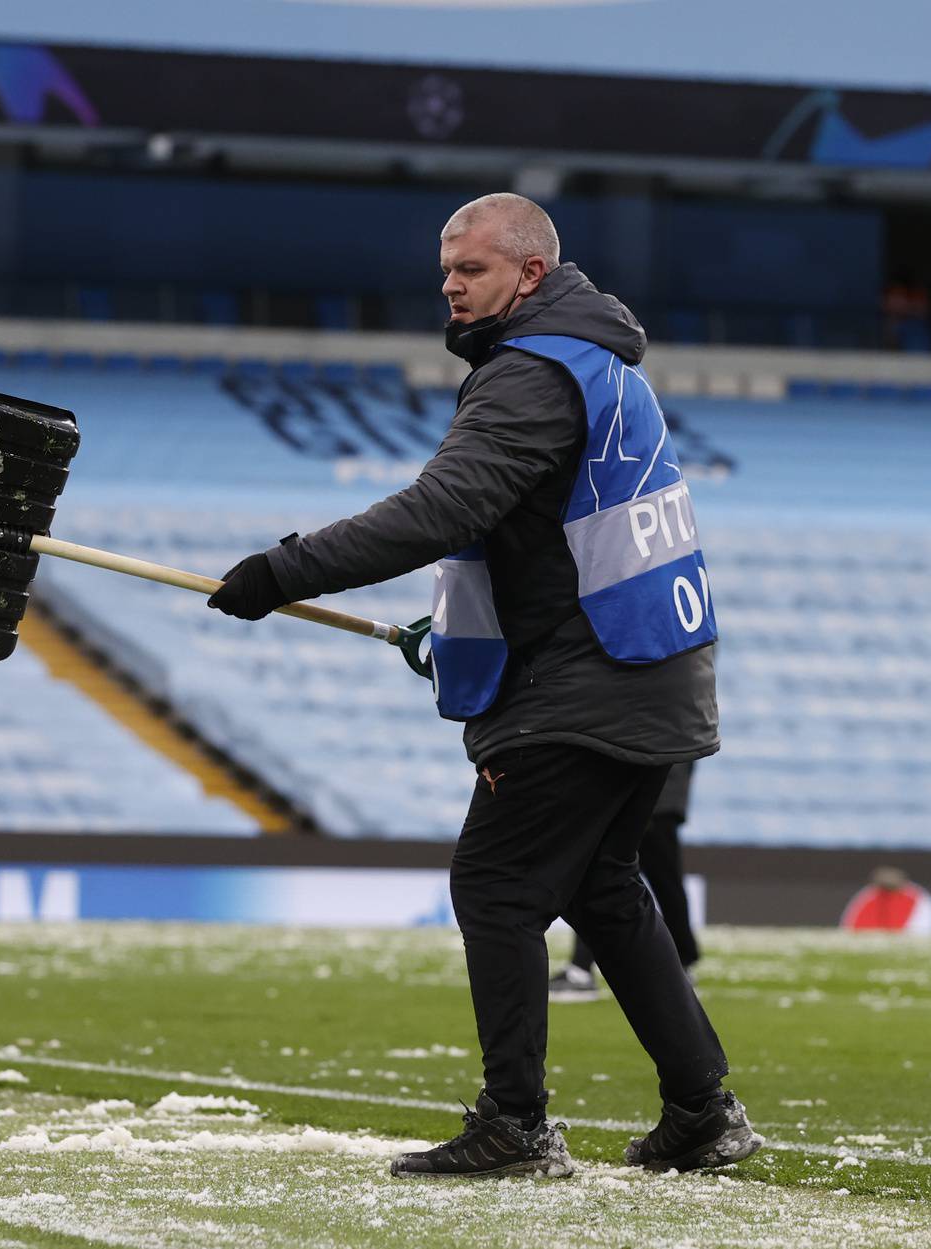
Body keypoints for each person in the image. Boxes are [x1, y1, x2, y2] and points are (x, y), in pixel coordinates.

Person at [206, 193, 757, 1179]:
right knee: (603, 888)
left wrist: (281, 571)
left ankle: (516, 1123)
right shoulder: (590, 362)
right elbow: (532, 538)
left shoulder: (530, 374)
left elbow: (441, 508)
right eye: (447, 272)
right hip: (646, 671)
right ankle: (703, 1113)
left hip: (591, 679)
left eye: (473, 270)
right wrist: (458, 630)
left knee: (496, 885)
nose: (452, 287)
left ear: (532, 274)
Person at [550, 761, 699, 1002]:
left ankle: (581, 970)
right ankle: (683, 960)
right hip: (649, 797)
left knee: (605, 877)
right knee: (659, 883)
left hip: (647, 798)